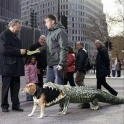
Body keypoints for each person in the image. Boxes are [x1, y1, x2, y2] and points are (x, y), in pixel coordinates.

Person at [0, 19, 26, 112]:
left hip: (16, 67)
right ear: (13, 25)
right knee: (5, 87)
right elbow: (4, 49)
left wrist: (26, 52)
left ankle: (16, 105)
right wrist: (19, 51)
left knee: (15, 88)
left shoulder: (16, 38)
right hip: (8, 66)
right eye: (18, 28)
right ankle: (4, 105)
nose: (18, 30)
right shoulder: (4, 35)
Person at [37, 14, 68, 85]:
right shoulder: (50, 32)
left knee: (58, 86)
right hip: (50, 62)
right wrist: (40, 49)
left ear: (53, 21)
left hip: (57, 63)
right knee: (47, 85)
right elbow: (47, 45)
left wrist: (62, 63)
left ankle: (60, 96)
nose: (45, 24)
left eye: (47, 22)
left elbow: (64, 48)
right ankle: (48, 96)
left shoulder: (60, 31)